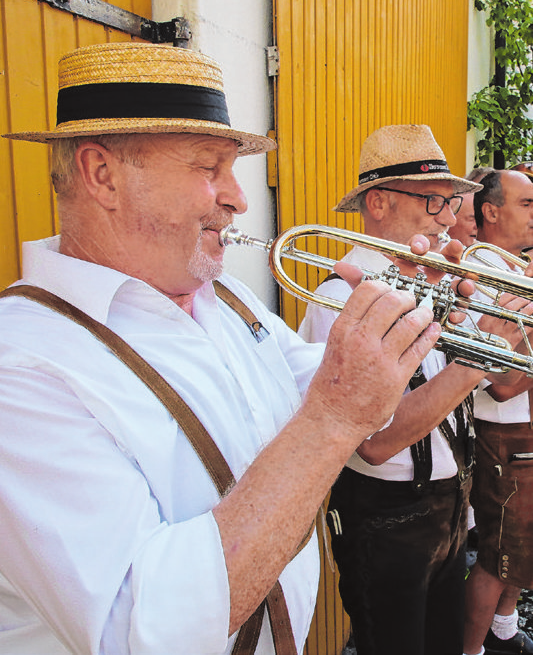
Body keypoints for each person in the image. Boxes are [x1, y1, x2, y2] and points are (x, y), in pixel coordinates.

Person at [0, 43, 447, 655]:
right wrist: (336, 414)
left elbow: (324, 383)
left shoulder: (222, 295)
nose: (237, 197)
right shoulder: (18, 362)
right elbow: (139, 631)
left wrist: (433, 320)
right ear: (101, 174)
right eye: (209, 168)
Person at [298, 125, 533, 655]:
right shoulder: (341, 297)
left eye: (450, 203)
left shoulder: (438, 283)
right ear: (377, 203)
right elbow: (374, 443)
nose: (451, 218)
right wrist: (477, 356)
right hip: (387, 516)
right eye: (434, 202)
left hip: (449, 504)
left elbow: (494, 385)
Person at [463, 169, 533, 655]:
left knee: (524, 549)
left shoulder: (514, 268)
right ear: (491, 211)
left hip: (524, 432)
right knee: (497, 556)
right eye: (527, 204)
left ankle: (504, 631)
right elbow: (505, 385)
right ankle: (471, 649)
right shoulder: (478, 273)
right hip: (505, 435)